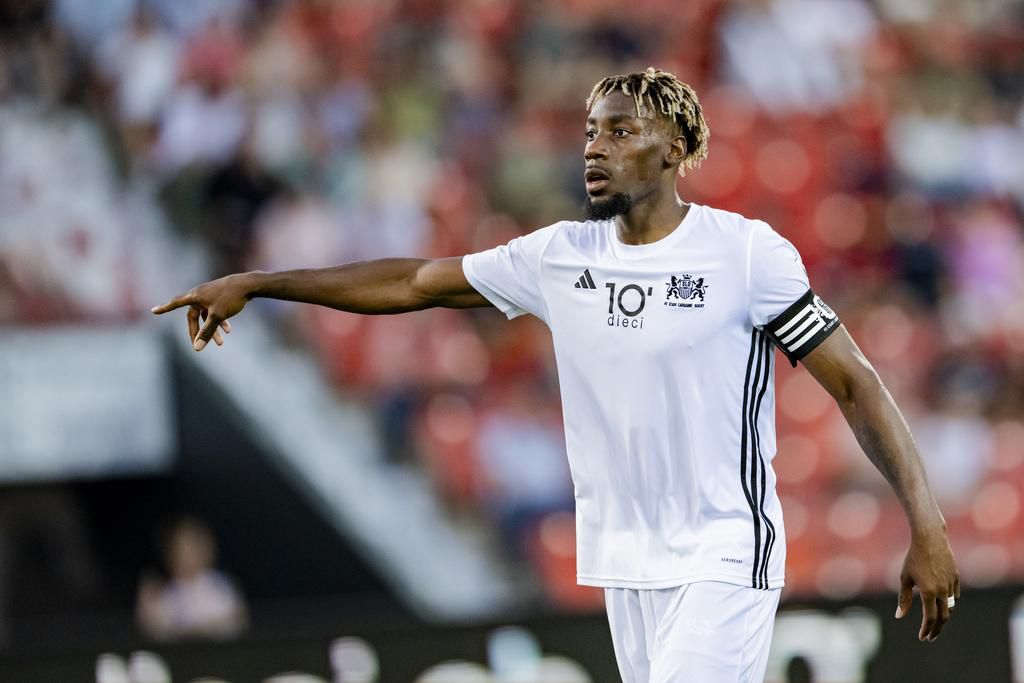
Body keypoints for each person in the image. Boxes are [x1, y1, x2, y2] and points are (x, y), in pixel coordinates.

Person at [153, 68, 958, 682]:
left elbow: (856, 384)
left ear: (674, 148)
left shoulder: (745, 255)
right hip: (624, 560)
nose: (593, 148)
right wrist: (260, 282)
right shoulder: (559, 256)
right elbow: (413, 282)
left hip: (724, 547)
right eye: (589, 132)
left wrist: (927, 524)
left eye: (618, 132)